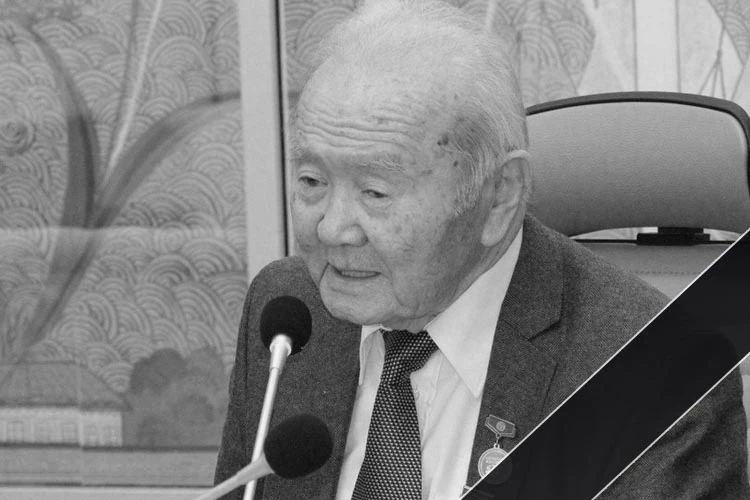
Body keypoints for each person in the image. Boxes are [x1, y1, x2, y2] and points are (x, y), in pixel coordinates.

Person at [214, 1, 749, 499]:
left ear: (498, 197)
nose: (332, 228)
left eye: (375, 192)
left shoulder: (654, 373)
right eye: (312, 181)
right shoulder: (288, 314)